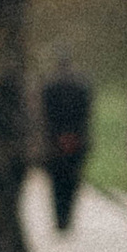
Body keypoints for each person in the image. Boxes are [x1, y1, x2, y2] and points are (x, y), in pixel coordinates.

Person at [39, 59, 92, 236]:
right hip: (73, 139)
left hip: (55, 141)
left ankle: (61, 219)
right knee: (70, 182)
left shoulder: (49, 86)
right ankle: (66, 218)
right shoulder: (81, 86)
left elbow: (44, 117)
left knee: (57, 184)